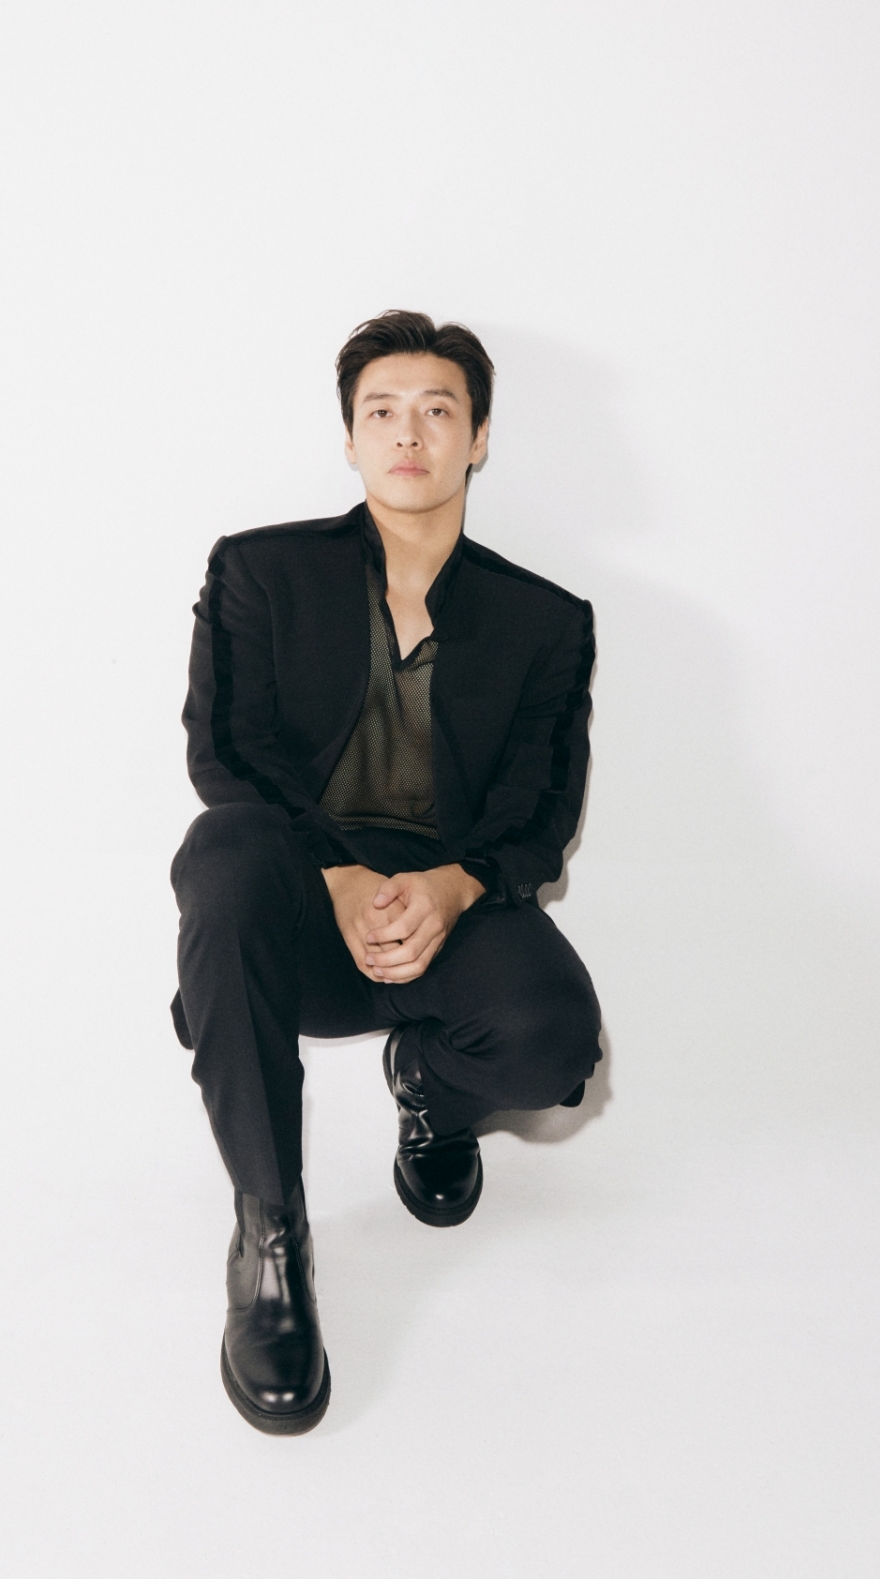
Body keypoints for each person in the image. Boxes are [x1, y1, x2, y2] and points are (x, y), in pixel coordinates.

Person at [169, 309, 602, 1434]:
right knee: (222, 852)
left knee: (558, 1039)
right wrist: (338, 876)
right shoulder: (258, 571)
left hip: (448, 905)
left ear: (478, 437)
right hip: (301, 910)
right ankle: (271, 1235)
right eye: (383, 411)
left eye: (437, 410)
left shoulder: (546, 622)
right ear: (352, 437)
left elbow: (539, 811)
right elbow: (226, 756)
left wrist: (454, 888)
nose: (409, 433)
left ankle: (430, 1094)